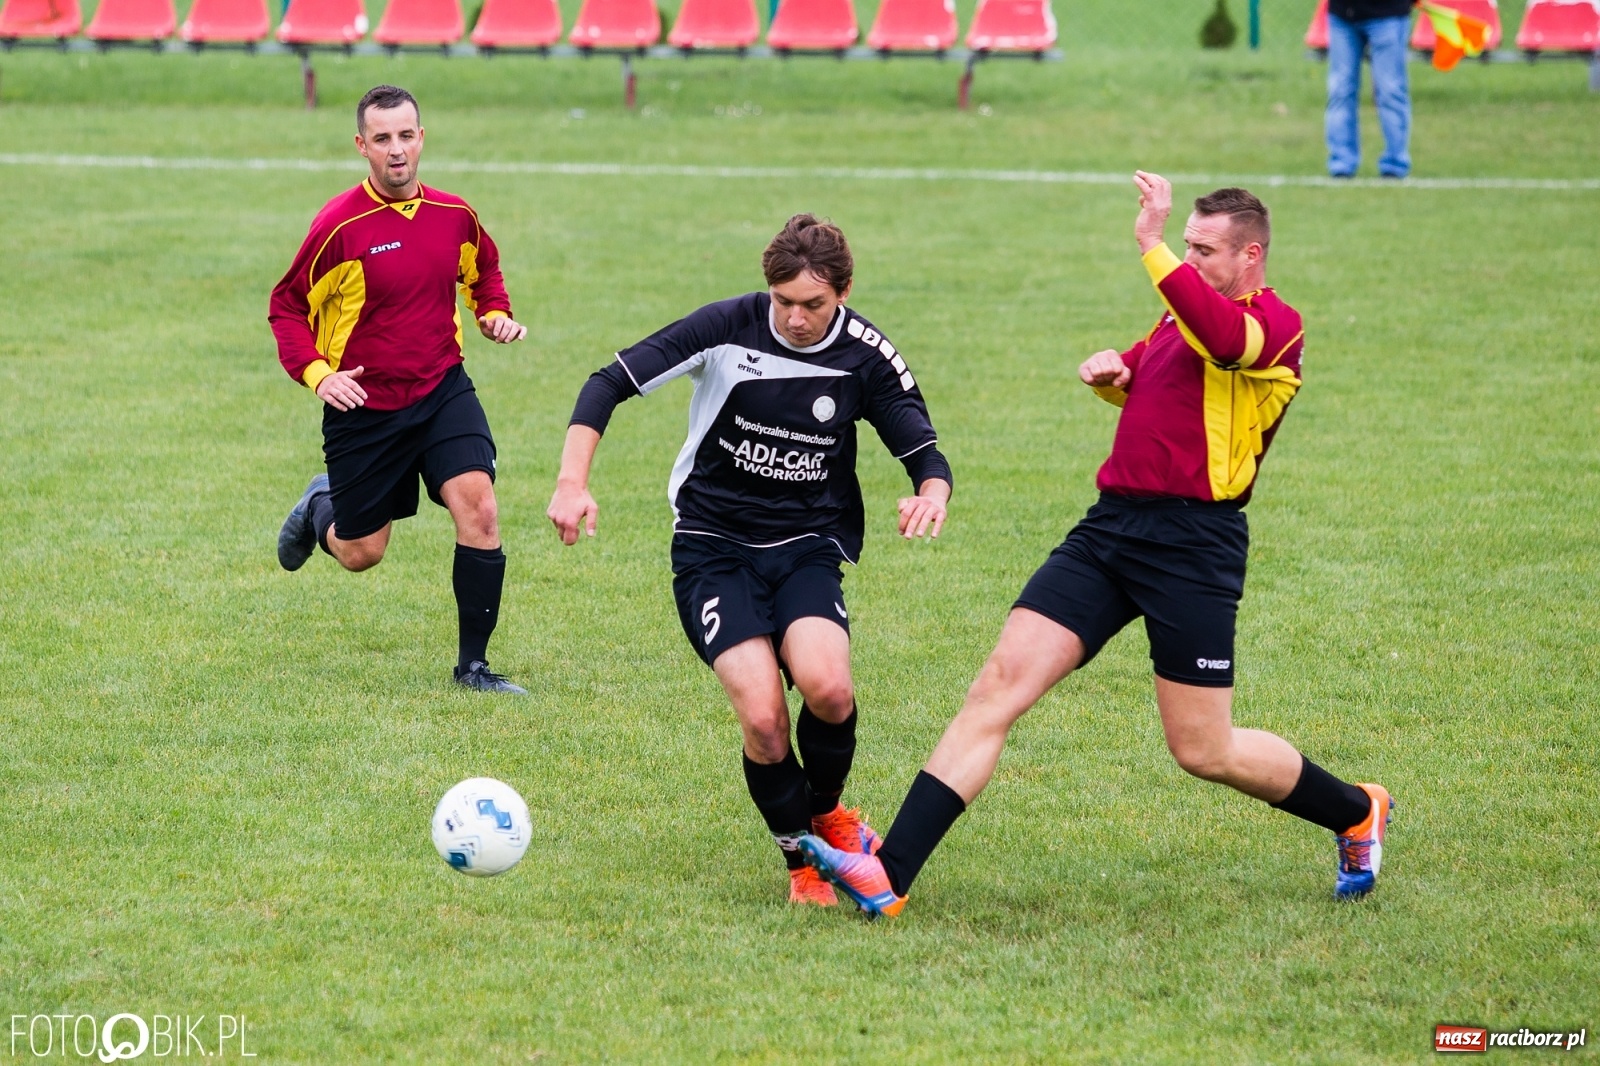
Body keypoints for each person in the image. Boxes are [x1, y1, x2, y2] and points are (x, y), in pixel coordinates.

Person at [800, 173, 1394, 917]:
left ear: (1251, 256)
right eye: (1187, 246)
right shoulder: (1180, 318)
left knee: (1203, 750)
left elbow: (1224, 344)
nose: (1191, 259)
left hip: (1193, 545)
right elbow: (1159, 377)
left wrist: (1149, 244)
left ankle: (1354, 810)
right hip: (1111, 528)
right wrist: (1116, 374)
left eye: (1206, 250)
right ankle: (888, 876)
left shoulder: (1275, 325)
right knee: (997, 686)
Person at [547, 215, 953, 905]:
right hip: (712, 548)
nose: (794, 318)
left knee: (829, 689)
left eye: (812, 305)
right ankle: (803, 864)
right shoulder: (727, 326)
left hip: (807, 549)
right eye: (783, 301)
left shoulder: (866, 356)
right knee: (763, 717)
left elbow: (922, 449)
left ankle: (826, 811)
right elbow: (606, 382)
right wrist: (570, 481)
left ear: (845, 292)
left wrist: (930, 494)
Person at [270, 85, 530, 695]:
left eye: (406, 135)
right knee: (363, 552)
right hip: (366, 406)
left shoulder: (454, 214)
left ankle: (473, 668)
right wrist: (319, 375)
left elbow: (482, 270)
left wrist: (493, 312)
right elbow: (286, 307)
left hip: (443, 389)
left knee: (480, 507)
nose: (396, 150)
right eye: (382, 139)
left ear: (422, 138)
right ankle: (317, 506)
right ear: (362, 146)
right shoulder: (339, 227)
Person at [1325, 0, 1413, 179]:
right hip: (1343, 15)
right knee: (1340, 90)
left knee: (1391, 91)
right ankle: (1342, 164)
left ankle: (1395, 165)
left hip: (1389, 14)